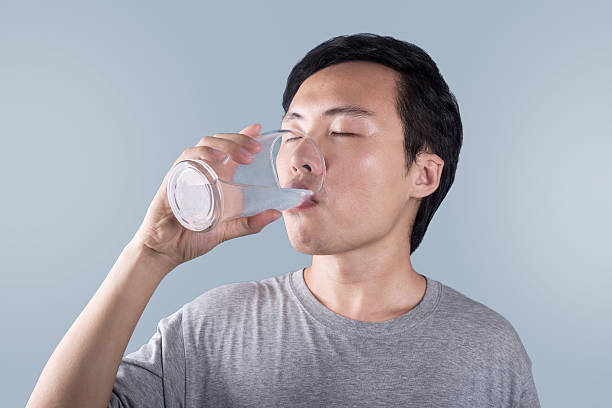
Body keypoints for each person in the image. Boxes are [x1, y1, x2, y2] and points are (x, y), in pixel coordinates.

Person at [26, 33, 540, 407]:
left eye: (343, 132)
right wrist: (149, 254)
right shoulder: (214, 327)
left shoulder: (488, 349)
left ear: (423, 174)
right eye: (292, 133)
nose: (301, 157)